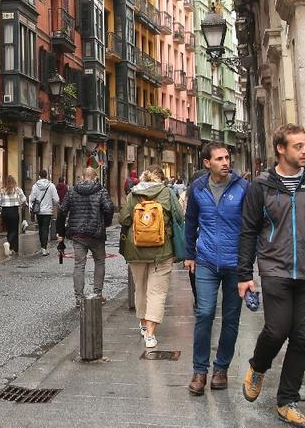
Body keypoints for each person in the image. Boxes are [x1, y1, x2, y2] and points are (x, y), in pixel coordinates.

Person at [237, 124, 305, 428]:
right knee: (276, 330)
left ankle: (287, 401)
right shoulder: (261, 186)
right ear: (280, 149)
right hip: (276, 268)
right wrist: (244, 274)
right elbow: (248, 231)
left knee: (301, 337)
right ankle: (258, 366)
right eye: (298, 146)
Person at [184, 142, 249, 396]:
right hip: (206, 260)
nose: (225, 162)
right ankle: (199, 371)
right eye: (219, 159)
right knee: (204, 313)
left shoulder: (243, 188)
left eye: (227, 158)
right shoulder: (198, 188)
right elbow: (190, 221)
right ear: (207, 163)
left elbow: (251, 226)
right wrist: (189, 254)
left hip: (235, 264)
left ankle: (221, 368)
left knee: (231, 319)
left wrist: (248, 262)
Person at [118, 170, 177, 348]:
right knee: (157, 292)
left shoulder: (133, 194)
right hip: (162, 250)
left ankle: (143, 324)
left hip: (135, 249)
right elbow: (180, 217)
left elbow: (124, 219)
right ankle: (150, 334)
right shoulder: (167, 193)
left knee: (141, 288)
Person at [57, 167, 113, 304]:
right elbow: (109, 208)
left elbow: (62, 211)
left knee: (79, 265)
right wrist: (105, 223)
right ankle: (97, 294)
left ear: (82, 177)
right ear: (95, 178)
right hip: (96, 234)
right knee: (99, 262)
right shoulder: (101, 191)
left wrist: (61, 233)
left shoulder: (72, 191)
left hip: (78, 234)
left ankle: (79, 297)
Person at [28, 169, 60, 256]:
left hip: (39, 211)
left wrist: (31, 208)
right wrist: (52, 203)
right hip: (48, 211)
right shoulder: (51, 186)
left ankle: (42, 247)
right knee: (45, 229)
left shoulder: (35, 186)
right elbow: (56, 199)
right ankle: (44, 249)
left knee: (41, 228)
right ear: (47, 176)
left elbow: (31, 198)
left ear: (39, 176)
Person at [0, 174, 25, 257]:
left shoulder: (2, 190)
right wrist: (23, 206)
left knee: (9, 230)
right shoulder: (17, 190)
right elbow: (24, 200)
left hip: (4, 211)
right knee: (14, 230)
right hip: (13, 211)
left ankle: (11, 249)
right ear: (14, 182)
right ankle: (8, 243)